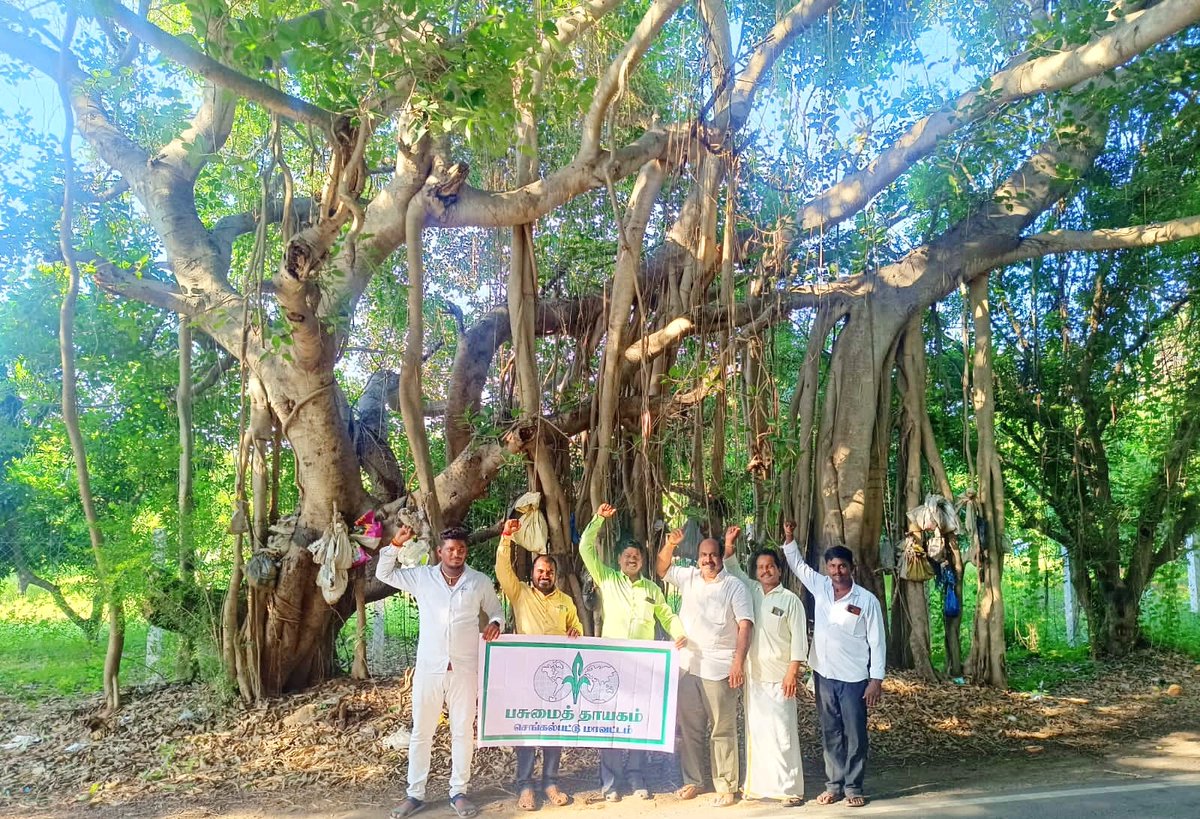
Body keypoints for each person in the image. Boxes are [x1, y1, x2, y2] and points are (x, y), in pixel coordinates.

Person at [376, 524, 504, 819]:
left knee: (462, 731)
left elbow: (496, 611)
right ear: (439, 552)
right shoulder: (423, 577)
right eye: (450, 549)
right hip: (429, 669)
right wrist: (395, 545)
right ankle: (414, 794)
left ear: (465, 551)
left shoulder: (478, 581)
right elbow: (384, 574)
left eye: (460, 549)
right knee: (422, 732)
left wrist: (495, 623)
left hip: (464, 668)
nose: (456, 554)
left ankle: (459, 792)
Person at [579, 502, 688, 802]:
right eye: (627, 556)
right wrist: (598, 520)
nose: (632, 559)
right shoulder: (607, 579)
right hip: (610, 666)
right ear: (618, 560)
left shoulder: (652, 589)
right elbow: (586, 548)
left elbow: (666, 614)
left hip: (642, 665)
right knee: (611, 721)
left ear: (642, 560)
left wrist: (678, 634)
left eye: (636, 556)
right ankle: (611, 782)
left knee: (639, 718)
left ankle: (637, 775)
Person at [780, 521, 885, 808]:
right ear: (827, 568)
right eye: (833, 567)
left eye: (842, 567)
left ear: (852, 568)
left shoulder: (867, 601)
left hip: (853, 679)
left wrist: (875, 680)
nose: (837, 572)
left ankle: (853, 787)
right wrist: (790, 538)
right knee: (831, 731)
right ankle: (834, 785)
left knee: (855, 733)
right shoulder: (821, 587)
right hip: (823, 675)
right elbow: (798, 566)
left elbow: (877, 642)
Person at [656, 527, 754, 807]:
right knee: (690, 729)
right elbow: (662, 569)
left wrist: (738, 662)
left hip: (721, 667)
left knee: (721, 729)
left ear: (721, 557)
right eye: (703, 555)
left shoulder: (734, 586)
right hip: (689, 665)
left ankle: (726, 784)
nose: (708, 560)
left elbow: (745, 625)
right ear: (697, 557)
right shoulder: (688, 578)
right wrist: (670, 544)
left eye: (713, 555)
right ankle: (694, 780)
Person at [496, 518, 583, 811]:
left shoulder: (566, 601)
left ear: (555, 575)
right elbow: (502, 571)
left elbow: (577, 629)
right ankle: (525, 785)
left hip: (557, 677)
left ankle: (550, 781)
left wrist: (576, 633)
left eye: (549, 571)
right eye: (540, 570)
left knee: (553, 727)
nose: (545, 575)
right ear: (532, 573)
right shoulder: (520, 593)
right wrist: (506, 538)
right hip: (526, 673)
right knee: (527, 728)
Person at [722, 526, 808, 807]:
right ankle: (758, 786)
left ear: (779, 570)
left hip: (781, 677)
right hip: (754, 677)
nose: (765, 570)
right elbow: (730, 569)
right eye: (760, 567)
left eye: (770, 566)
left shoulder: (790, 600)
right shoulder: (751, 592)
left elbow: (799, 641)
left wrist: (793, 671)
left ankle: (790, 789)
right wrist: (729, 545)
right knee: (757, 732)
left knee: (783, 734)